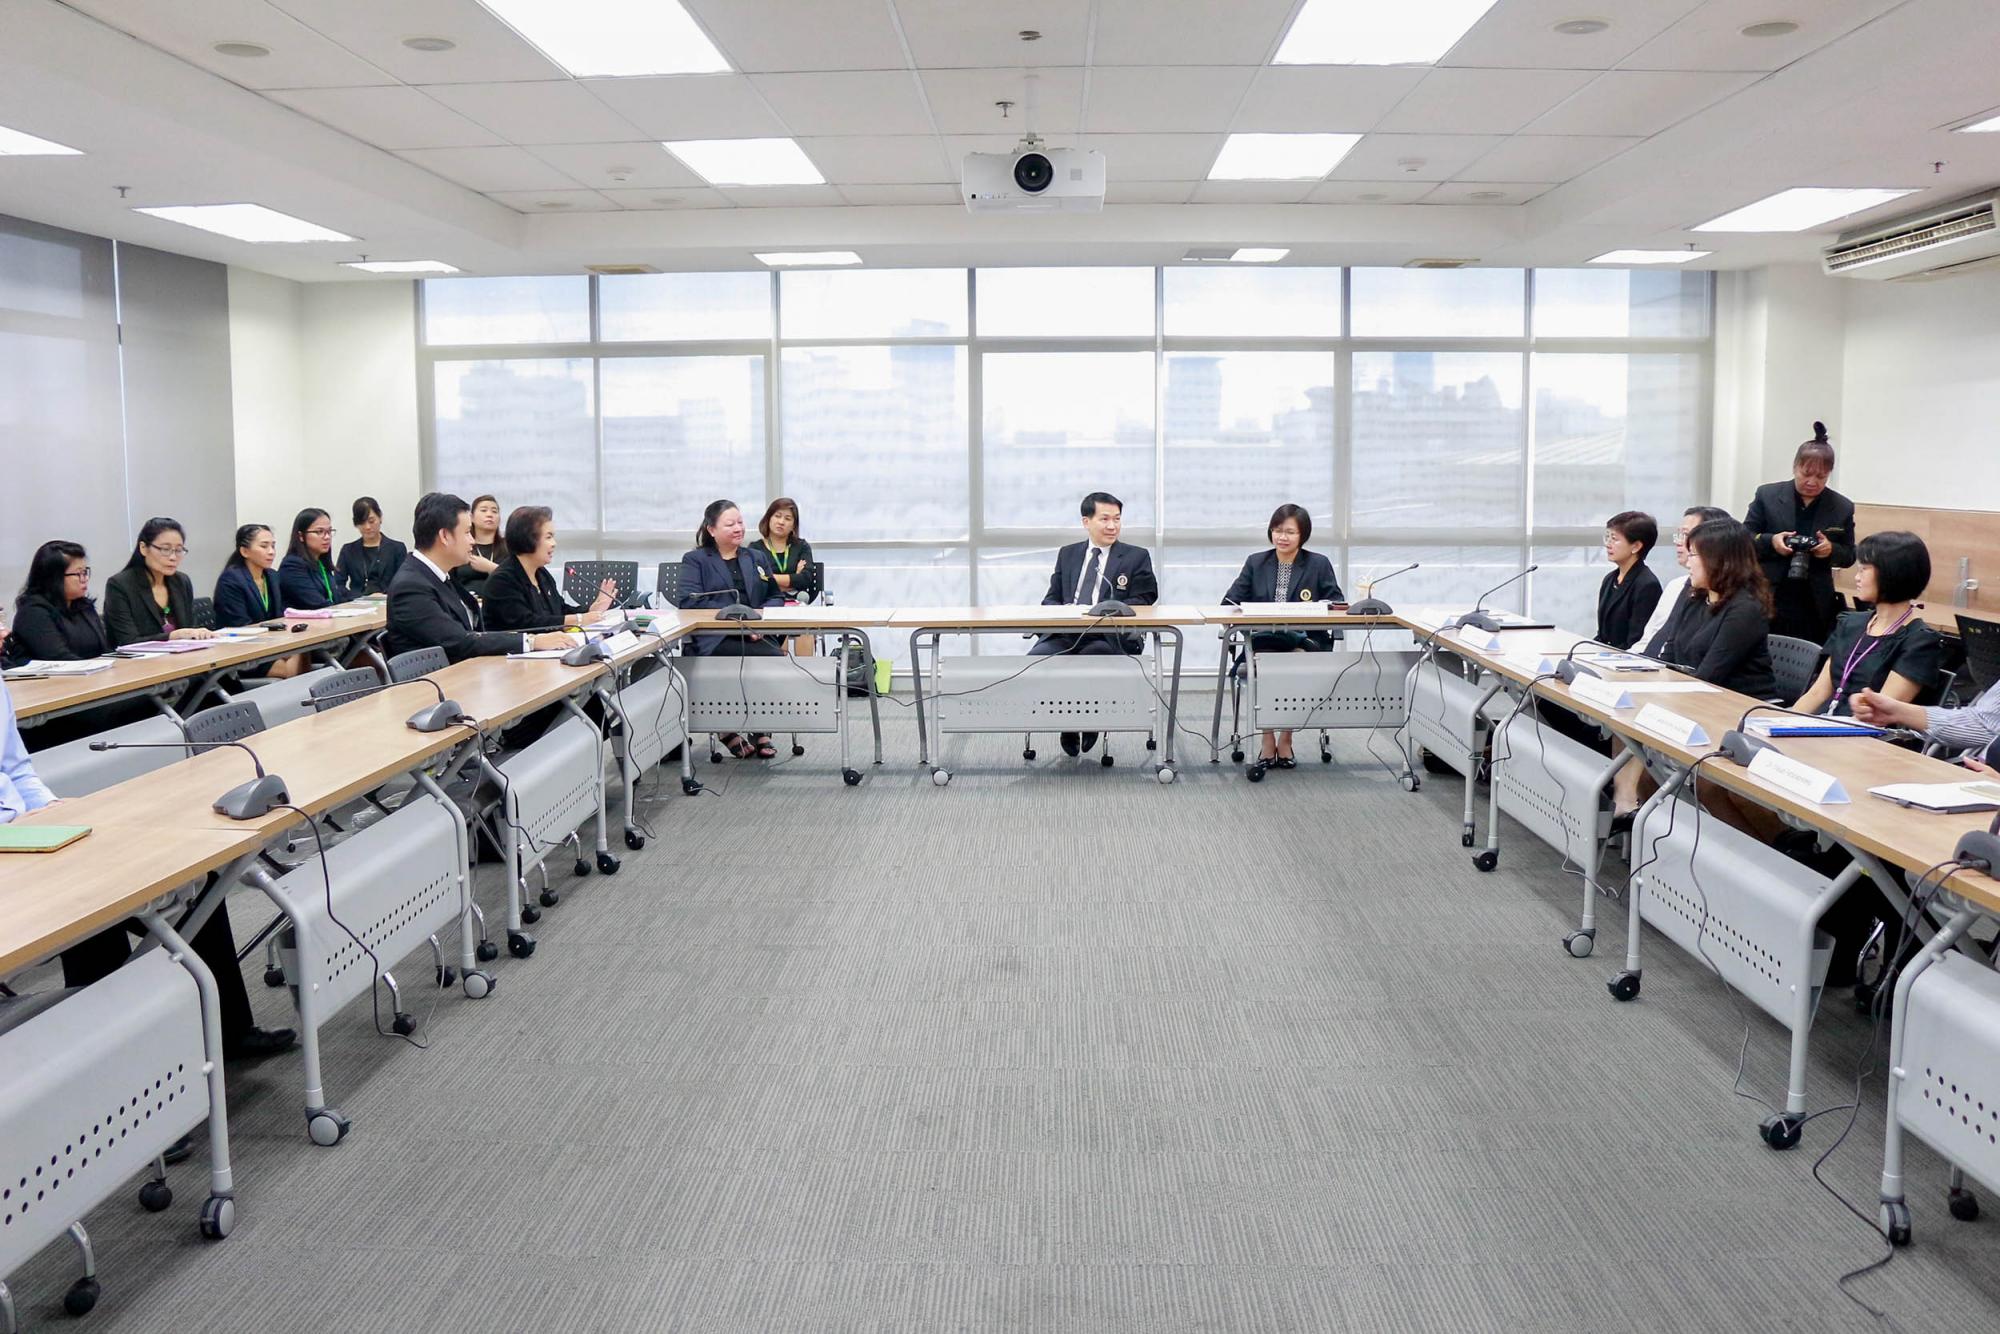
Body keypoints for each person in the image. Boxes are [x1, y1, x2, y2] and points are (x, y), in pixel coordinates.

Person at [0, 660, 298, 1065]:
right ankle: (114, 1065)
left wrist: (49, 806)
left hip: (29, 832)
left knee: (196, 877)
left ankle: (229, 1032)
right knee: (87, 911)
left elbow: (17, 770)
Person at [1615, 519, 1776, 824]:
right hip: (1694, 701)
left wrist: (1659, 692)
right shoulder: (1694, 597)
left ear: (1719, 560)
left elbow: (1710, 677)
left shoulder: (1744, 610)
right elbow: (1670, 654)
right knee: (1649, 775)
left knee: (1695, 784)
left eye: (1694, 555)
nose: (1687, 562)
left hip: (1735, 712)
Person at [1031, 491, 1159, 757]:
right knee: (1038, 659)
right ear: (1086, 522)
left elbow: (1147, 597)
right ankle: (1068, 723)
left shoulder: (1135, 556)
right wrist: (1062, 612)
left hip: (1107, 635)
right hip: (1065, 634)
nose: (1112, 526)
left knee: (1092, 658)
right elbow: (1051, 598)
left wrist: (1109, 610)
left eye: (1117, 519)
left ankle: (1088, 720)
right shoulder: (1068, 554)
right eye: (1105, 519)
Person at [1220, 503, 1344, 768]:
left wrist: (1313, 610)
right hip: (1264, 640)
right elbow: (1229, 601)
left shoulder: (1318, 564)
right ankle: (1267, 739)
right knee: (1263, 665)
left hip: (1304, 641)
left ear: (1303, 535)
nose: (1282, 537)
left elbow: (1336, 602)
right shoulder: (1256, 562)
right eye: (1277, 530)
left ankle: (1286, 738)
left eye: (1290, 532)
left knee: (1291, 666)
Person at [385, 492, 575, 662]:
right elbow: (459, 641)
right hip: (440, 684)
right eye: (467, 532)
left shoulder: (440, 576)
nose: (472, 540)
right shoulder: (411, 586)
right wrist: (532, 641)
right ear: (444, 536)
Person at [675, 499, 785, 760]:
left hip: (756, 633)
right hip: (716, 636)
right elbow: (688, 601)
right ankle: (726, 728)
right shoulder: (696, 560)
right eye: (730, 524)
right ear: (711, 529)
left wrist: (759, 618)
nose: (738, 528)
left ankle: (759, 727)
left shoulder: (755, 557)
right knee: (753, 658)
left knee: (771, 658)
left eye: (740, 522)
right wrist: (738, 620)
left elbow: (775, 596)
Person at [1792, 531, 1943, 717]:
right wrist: (1781, 724)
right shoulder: (1850, 623)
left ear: (1892, 573)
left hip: (1864, 730)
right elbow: (1817, 693)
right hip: (1822, 723)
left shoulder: (1920, 642)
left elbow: (1879, 713)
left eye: (1864, 569)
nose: (1857, 577)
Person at [1745, 422, 1856, 643]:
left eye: (1821, 477)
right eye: (1806, 474)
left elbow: (1849, 555)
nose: (1812, 482)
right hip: (1768, 594)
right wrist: (1771, 541)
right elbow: (1743, 537)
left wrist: (1830, 550)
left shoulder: (1842, 506)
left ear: (1829, 474)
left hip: (1814, 602)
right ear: (1795, 467)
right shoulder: (1767, 495)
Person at [480, 506, 617, 634]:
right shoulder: (502, 581)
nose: (554, 544)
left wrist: (591, 610)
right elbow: (526, 624)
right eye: (548, 537)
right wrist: (579, 619)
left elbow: (560, 610)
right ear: (528, 539)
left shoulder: (541, 574)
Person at [103, 518, 216, 647]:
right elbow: (127, 641)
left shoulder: (181, 581)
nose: (173, 557)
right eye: (165, 549)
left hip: (182, 656)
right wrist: (172, 636)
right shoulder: (120, 585)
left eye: (178, 550)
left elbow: (191, 628)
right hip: (140, 659)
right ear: (143, 548)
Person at [1637, 506, 1732, 650]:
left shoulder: (1721, 598)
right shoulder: (1675, 585)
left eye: (1686, 535)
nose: (1678, 542)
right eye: (1679, 534)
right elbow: (1649, 637)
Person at [6, 540, 110, 664]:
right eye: (78, 573)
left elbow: (104, 651)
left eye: (85, 572)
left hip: (93, 673)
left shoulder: (84, 606)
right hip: (57, 676)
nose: (85, 578)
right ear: (55, 577)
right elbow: (59, 658)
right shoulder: (33, 612)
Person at [1595, 511, 1662, 652]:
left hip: (1626, 658)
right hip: (1604, 655)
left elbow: (1637, 640)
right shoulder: (1610, 579)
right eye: (1607, 537)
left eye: (1615, 539)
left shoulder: (1647, 585)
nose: (1608, 544)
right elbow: (1602, 634)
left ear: (1636, 546)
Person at [277, 507, 351, 611]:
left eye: (329, 531)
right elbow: (315, 604)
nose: (327, 537)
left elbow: (337, 598)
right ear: (301, 536)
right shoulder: (292, 565)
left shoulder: (321, 563)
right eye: (319, 532)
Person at [335, 496, 407, 596]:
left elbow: (403, 582)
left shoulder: (397, 548)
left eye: (371, 521)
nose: (367, 527)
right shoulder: (348, 550)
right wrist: (356, 597)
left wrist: (386, 596)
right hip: (356, 602)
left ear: (380, 517)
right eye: (362, 523)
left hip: (389, 600)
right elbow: (338, 584)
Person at [212, 524, 281, 627]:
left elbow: (280, 615)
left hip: (272, 635)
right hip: (240, 636)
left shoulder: (272, 576)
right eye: (264, 546)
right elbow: (239, 623)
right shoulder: (231, 580)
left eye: (273, 546)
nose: (271, 552)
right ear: (244, 551)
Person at [451, 494, 505, 599]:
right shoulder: (461, 546)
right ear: (472, 517)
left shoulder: (509, 547)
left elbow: (520, 578)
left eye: (494, 511)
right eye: (484, 510)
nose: (489, 515)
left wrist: (491, 568)